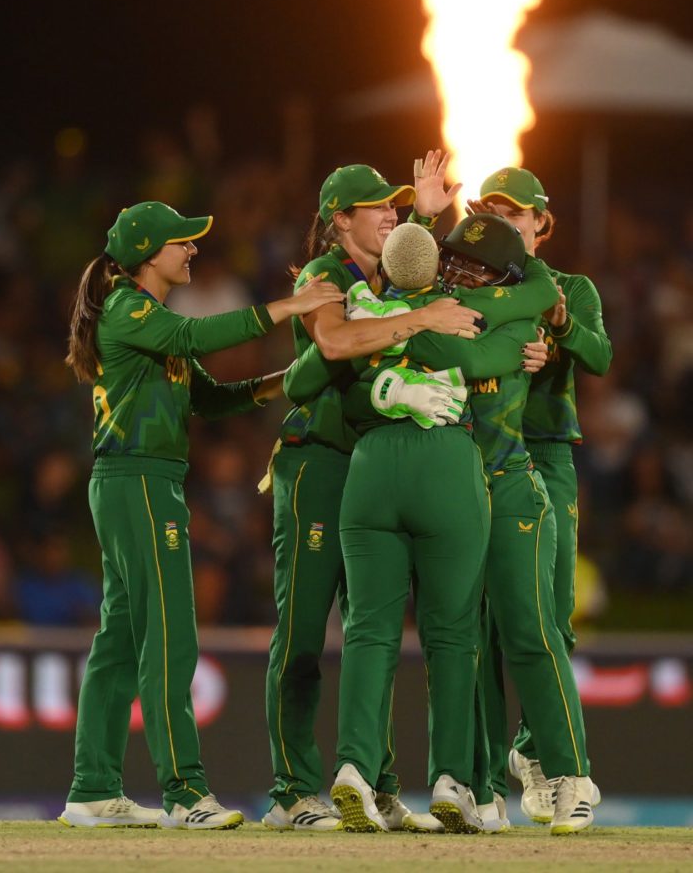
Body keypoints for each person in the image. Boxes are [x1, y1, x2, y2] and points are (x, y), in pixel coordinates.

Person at [59, 200, 343, 831]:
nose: (192, 249)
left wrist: (286, 377)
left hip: (138, 482)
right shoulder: (129, 308)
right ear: (146, 254)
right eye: (181, 242)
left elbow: (212, 399)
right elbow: (192, 338)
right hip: (138, 482)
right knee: (169, 636)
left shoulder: (149, 319)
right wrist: (286, 308)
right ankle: (185, 793)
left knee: (119, 642)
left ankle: (92, 790)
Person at [262, 155, 478, 832]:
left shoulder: (376, 272)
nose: (391, 212)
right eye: (378, 206)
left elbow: (405, 280)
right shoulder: (322, 276)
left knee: (371, 629)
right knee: (302, 632)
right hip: (318, 463)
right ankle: (292, 791)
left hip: (369, 468)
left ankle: (375, 782)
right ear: (339, 220)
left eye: (395, 205)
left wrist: (427, 218)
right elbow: (336, 341)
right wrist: (421, 323)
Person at [326, 217, 558, 833]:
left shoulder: (359, 306)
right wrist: (433, 320)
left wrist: (383, 375)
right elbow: (523, 308)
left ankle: (353, 769)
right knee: (453, 635)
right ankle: (454, 780)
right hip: (448, 465)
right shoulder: (474, 310)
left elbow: (315, 380)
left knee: (368, 632)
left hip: (371, 468)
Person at [470, 167, 612, 823]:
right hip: (479, 457)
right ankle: (484, 778)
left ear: (541, 224)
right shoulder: (469, 287)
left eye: (516, 213)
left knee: (552, 617)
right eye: (492, 213)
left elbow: (600, 355)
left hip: (546, 456)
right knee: (487, 626)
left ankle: (533, 749)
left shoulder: (572, 288)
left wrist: (559, 326)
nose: (506, 223)